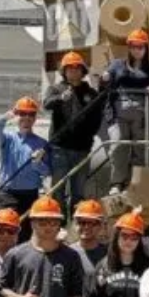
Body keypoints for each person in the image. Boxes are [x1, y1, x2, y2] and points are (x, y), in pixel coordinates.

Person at [43, 51, 105, 214]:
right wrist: (61, 99)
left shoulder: (90, 93)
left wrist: (88, 136)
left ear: (82, 71)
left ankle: (75, 224)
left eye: (77, 68)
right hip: (59, 149)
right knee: (58, 189)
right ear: (64, 71)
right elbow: (47, 104)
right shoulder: (56, 89)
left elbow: (96, 119)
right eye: (69, 68)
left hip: (81, 149)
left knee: (78, 191)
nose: (73, 71)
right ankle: (58, 221)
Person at [104, 28, 149, 195]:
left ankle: (139, 188)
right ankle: (117, 183)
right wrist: (105, 77)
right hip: (118, 115)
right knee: (117, 146)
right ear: (128, 48)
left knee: (140, 150)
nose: (137, 50)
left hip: (142, 116)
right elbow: (106, 82)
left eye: (141, 47)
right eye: (133, 46)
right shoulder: (117, 65)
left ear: (146, 49)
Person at [0, 96, 49, 244]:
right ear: (17, 115)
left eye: (31, 114)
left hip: (29, 196)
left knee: (24, 235)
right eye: (22, 113)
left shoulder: (42, 144)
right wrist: (4, 118)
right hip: (8, 194)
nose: (27, 118)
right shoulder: (8, 139)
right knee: (4, 231)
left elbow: (47, 171)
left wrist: (37, 163)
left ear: (35, 118)